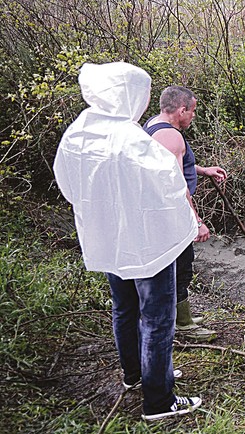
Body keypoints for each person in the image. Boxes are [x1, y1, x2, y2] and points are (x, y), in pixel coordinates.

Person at [53, 62, 202, 420]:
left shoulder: (80, 133)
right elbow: (169, 188)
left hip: (108, 238)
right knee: (157, 318)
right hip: (148, 244)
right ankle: (159, 400)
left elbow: (68, 185)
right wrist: (188, 225)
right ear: (128, 95)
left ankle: (137, 375)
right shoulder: (132, 139)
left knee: (124, 309)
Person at [143, 86, 226, 342]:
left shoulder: (153, 125)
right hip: (171, 213)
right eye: (192, 111)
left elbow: (174, 163)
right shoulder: (173, 137)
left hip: (158, 211)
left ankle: (180, 316)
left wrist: (202, 170)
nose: (193, 116)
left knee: (177, 265)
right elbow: (177, 186)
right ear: (181, 110)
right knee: (181, 266)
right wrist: (197, 221)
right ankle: (183, 323)